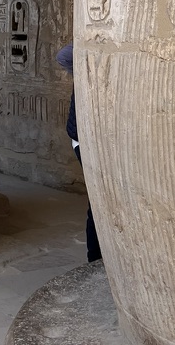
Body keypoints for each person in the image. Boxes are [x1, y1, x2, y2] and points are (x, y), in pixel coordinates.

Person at [57, 43, 101, 263]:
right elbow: (63, 55)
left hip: (99, 140)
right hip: (84, 140)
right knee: (99, 201)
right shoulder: (87, 58)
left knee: (102, 200)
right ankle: (95, 260)